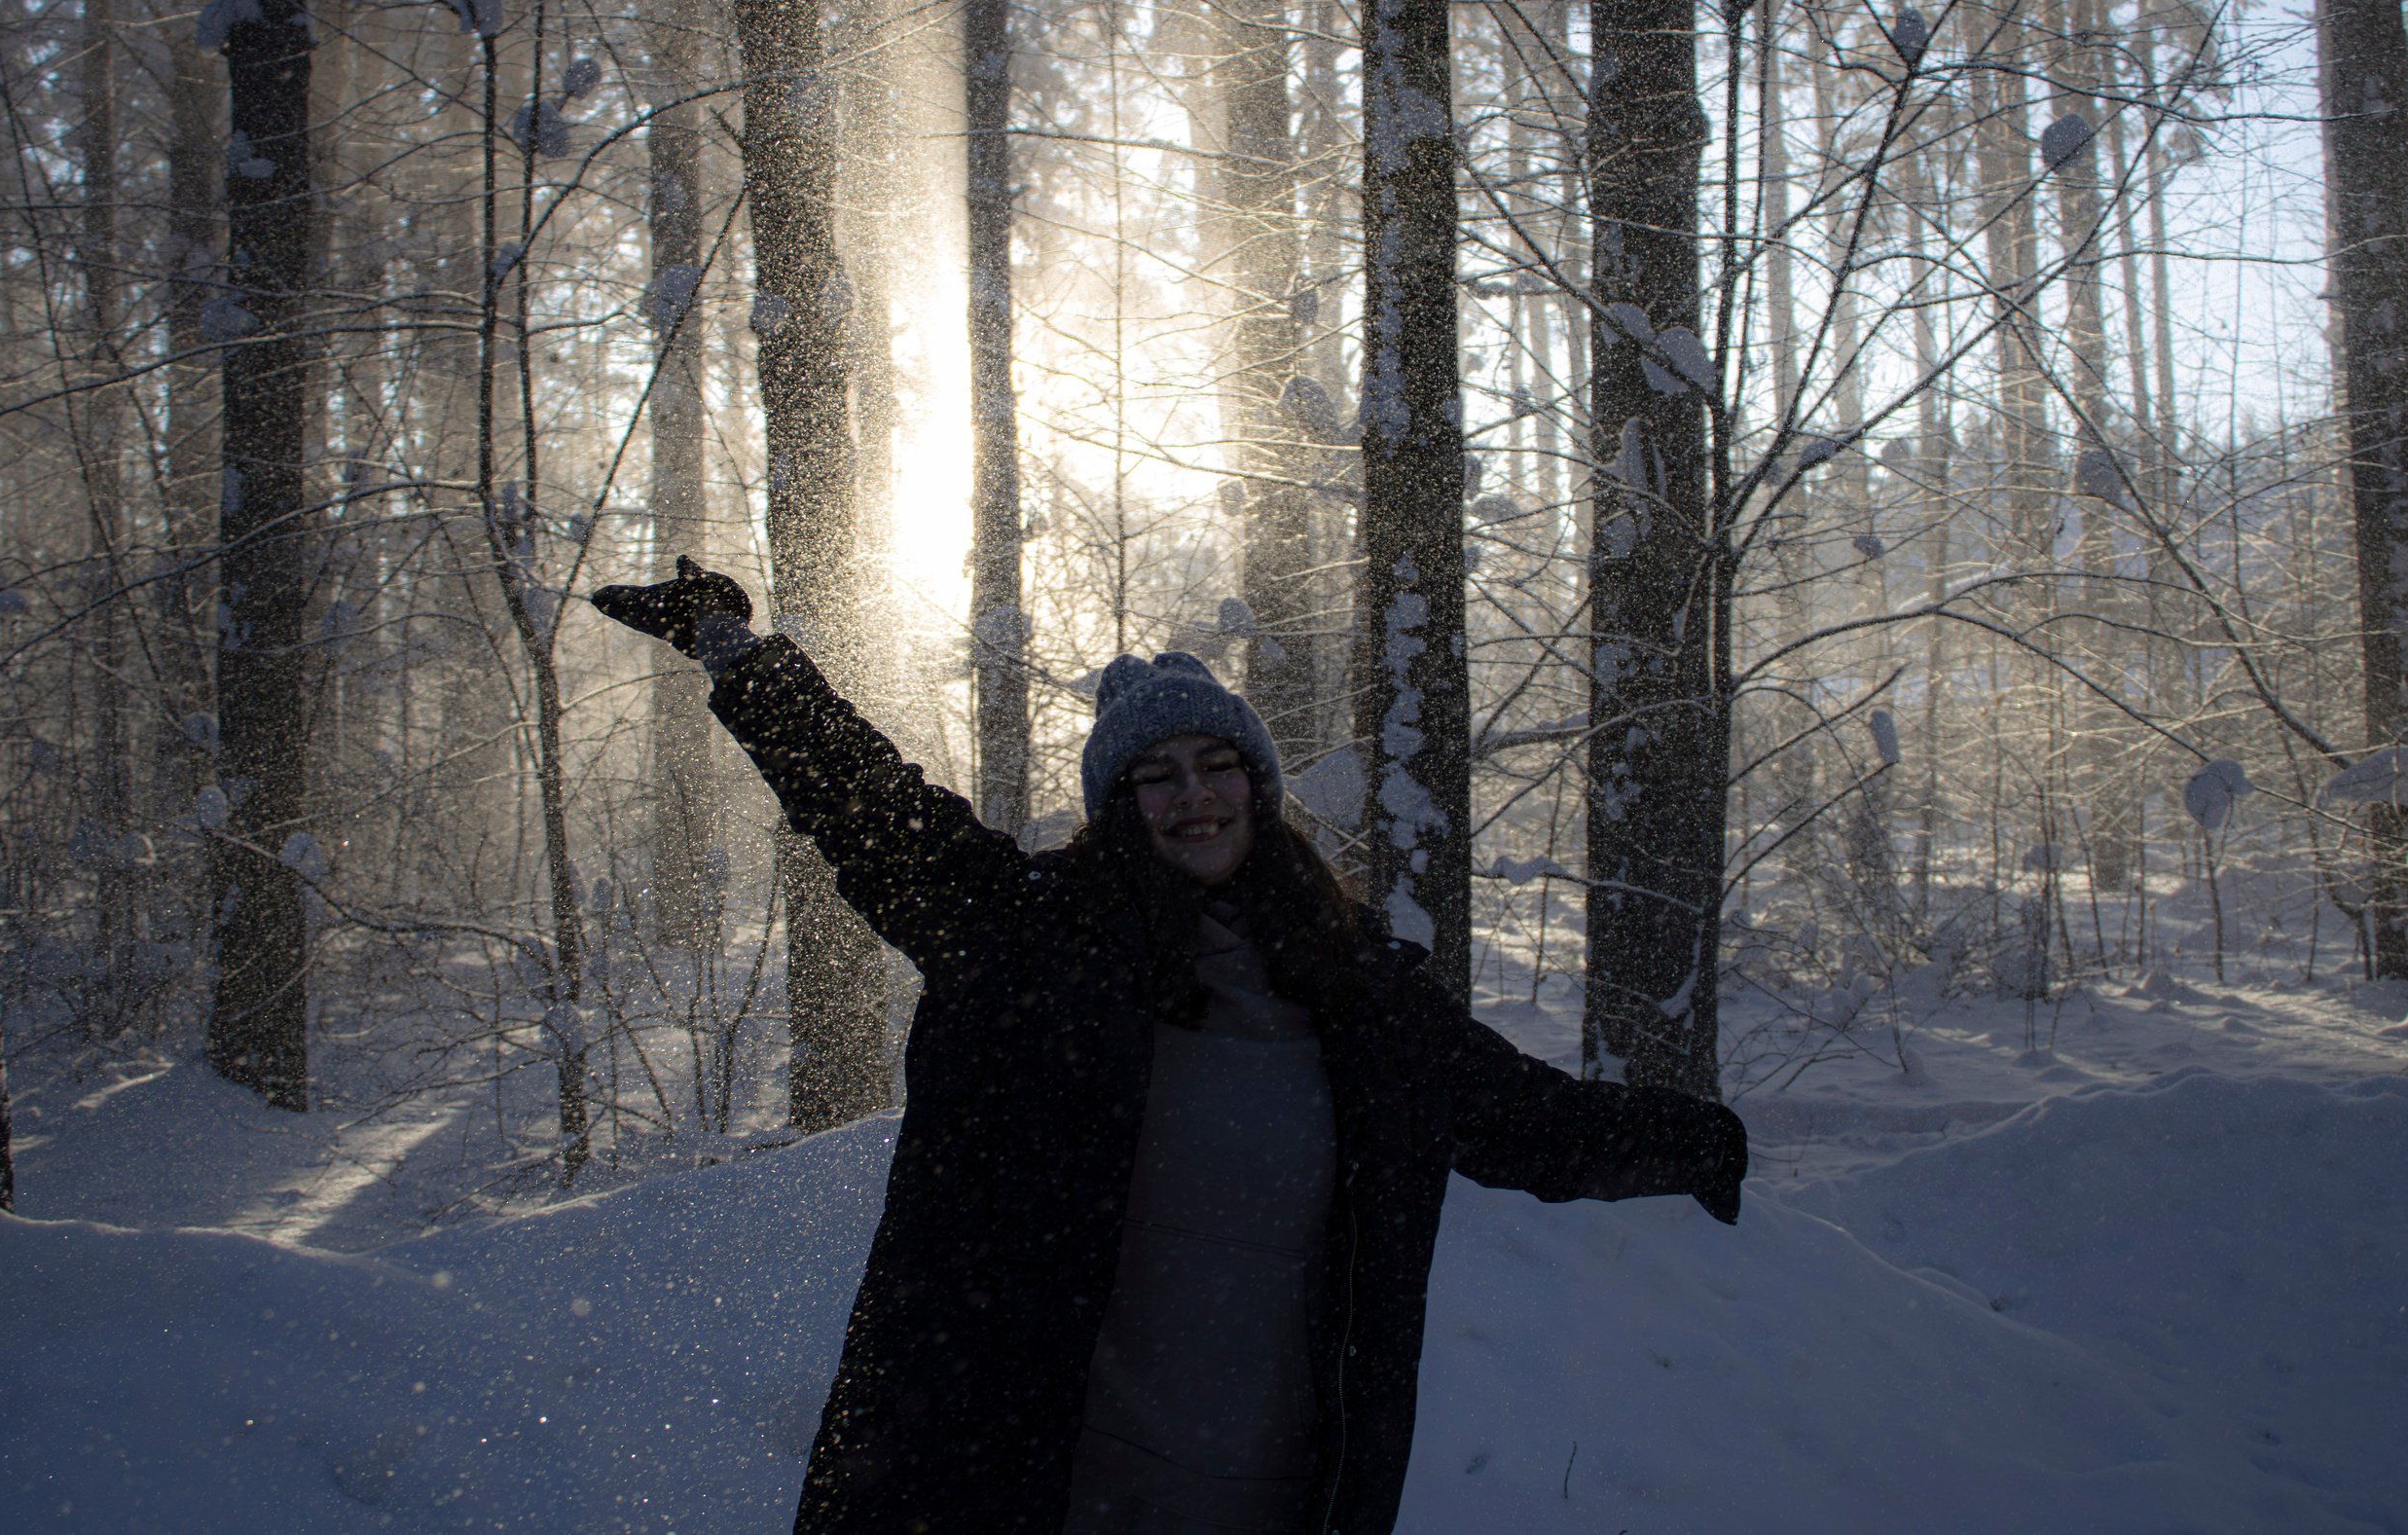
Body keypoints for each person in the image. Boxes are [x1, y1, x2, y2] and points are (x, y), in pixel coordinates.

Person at [593, 558, 1749, 1535]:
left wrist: (1699, 1142)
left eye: (1216, 765)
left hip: (1283, 1494)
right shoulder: (1030, 945)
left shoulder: (1361, 999)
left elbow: (1530, 1123)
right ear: (1115, 804)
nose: (1192, 797)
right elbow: (867, 805)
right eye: (1154, 776)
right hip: (1042, 1488)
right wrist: (733, 652)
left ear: (1259, 784)